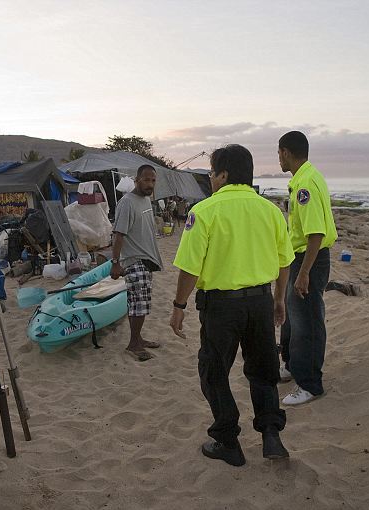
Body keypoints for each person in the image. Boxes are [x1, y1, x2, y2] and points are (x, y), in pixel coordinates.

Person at [170, 144, 294, 466]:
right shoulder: (271, 211)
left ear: (223, 174)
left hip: (221, 307)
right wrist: (279, 299)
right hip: (260, 302)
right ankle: (271, 434)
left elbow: (190, 268)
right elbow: (284, 263)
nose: (210, 179)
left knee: (213, 372)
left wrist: (179, 305)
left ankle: (227, 441)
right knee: (264, 370)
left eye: (211, 173)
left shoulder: (206, 211)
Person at [277, 131, 337, 405]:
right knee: (292, 317)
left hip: (309, 259)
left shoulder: (306, 185)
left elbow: (316, 233)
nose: (278, 158)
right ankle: (290, 365)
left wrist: (303, 273)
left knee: (308, 322)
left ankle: (310, 384)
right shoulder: (304, 177)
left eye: (279, 153)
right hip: (298, 257)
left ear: (286, 152)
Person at [111, 164, 163, 362]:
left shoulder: (146, 200)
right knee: (138, 305)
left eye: (153, 180)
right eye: (147, 180)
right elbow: (118, 235)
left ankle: (138, 339)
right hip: (134, 261)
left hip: (147, 261)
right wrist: (115, 263)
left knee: (141, 304)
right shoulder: (127, 202)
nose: (150, 184)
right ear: (137, 179)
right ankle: (133, 344)